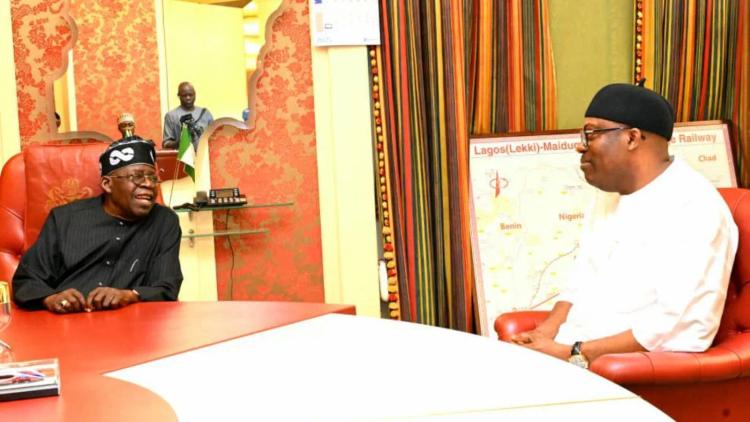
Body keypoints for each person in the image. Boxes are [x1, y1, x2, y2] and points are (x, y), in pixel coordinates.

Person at [508, 83, 738, 369]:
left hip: (626, 373)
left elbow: (677, 326)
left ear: (632, 138)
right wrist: (544, 333)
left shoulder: (694, 208)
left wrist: (571, 353)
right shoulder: (609, 195)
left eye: (591, 134)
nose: (580, 145)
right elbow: (580, 282)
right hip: (572, 358)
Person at [12, 139, 183, 313]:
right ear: (107, 184)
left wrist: (129, 295)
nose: (149, 184)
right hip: (66, 321)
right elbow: (26, 280)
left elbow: (167, 286)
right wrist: (51, 298)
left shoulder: (164, 221)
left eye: (153, 178)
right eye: (137, 177)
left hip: (130, 322)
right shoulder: (64, 218)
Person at [162, 82, 213, 150]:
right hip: (183, 154)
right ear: (179, 96)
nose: (188, 98)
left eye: (190, 95)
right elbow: (166, 144)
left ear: (195, 95)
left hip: (204, 154)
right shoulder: (171, 116)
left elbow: (215, 137)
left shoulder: (205, 113)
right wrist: (179, 142)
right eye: (184, 95)